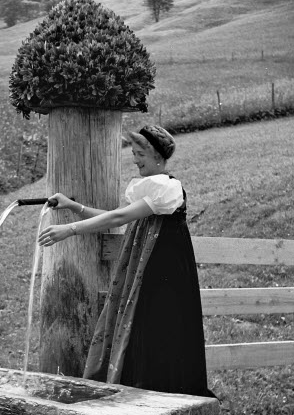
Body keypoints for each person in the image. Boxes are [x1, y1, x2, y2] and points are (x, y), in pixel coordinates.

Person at [38, 125, 214, 397]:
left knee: (157, 328)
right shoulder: (148, 189)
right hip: (144, 267)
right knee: (139, 326)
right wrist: (74, 207)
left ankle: (159, 396)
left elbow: (117, 219)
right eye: (133, 152)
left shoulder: (167, 188)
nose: (135, 159)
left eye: (140, 153)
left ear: (157, 155)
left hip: (162, 270)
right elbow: (115, 215)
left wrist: (68, 231)